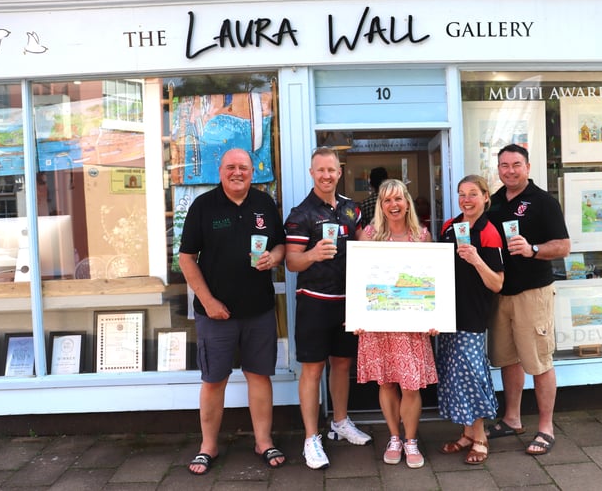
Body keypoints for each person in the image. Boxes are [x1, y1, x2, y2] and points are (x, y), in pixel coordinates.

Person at [179, 148, 287, 475]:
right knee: (214, 380)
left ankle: (263, 441)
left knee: (259, 376)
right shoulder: (204, 206)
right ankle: (208, 446)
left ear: (252, 171)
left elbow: (280, 243)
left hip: (259, 309)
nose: (237, 172)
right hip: (216, 313)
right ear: (220, 170)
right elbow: (186, 258)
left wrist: (276, 257)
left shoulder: (265, 203)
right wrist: (208, 301)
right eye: (231, 167)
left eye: (243, 167)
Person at [284, 147, 372, 470]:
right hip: (314, 302)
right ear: (311, 173)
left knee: (342, 364)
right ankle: (311, 438)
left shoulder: (352, 210)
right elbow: (292, 262)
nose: (326, 175)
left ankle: (339, 422)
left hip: (347, 302)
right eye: (320, 170)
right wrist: (312, 255)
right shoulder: (300, 213)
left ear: (339, 171)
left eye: (331, 170)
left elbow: (365, 245)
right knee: (312, 369)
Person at [486, 143, 570, 456]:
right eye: (504, 165)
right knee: (508, 359)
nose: (510, 170)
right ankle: (512, 418)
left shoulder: (543, 202)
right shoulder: (493, 202)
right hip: (501, 293)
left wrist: (533, 249)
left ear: (528, 167)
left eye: (516, 165)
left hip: (532, 293)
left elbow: (563, 246)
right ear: (498, 169)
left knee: (538, 360)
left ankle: (546, 427)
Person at [354, 179, 438, 469]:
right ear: (380, 205)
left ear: (407, 202)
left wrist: (434, 317)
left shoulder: (422, 236)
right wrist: (357, 315)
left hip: (412, 326)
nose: (394, 205)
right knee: (387, 382)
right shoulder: (369, 235)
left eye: (398, 199)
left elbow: (432, 281)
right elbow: (358, 279)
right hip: (378, 325)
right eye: (387, 200)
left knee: (411, 386)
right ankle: (394, 437)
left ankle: (411, 440)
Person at [437, 175, 504, 465]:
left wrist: (476, 259)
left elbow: (497, 283)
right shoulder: (449, 228)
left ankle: (480, 437)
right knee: (454, 374)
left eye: (473, 194)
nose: (467, 199)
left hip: (473, 315)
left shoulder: (489, 232)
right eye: (462, 194)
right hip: (447, 314)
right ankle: (466, 434)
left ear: (486, 197)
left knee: (471, 375)